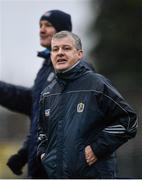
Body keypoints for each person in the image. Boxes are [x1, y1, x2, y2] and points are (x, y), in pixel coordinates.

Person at [37, 31, 138, 179]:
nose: (60, 53)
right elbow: (42, 132)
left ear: (79, 54)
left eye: (66, 48)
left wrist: (97, 149)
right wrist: (44, 155)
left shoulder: (96, 84)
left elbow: (129, 121)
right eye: (55, 49)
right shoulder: (47, 93)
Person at [0, 10, 72, 178]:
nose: (41, 30)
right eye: (40, 25)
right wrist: (25, 153)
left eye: (48, 25)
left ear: (63, 32)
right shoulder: (45, 68)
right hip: (40, 168)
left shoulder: (74, 69)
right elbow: (36, 110)